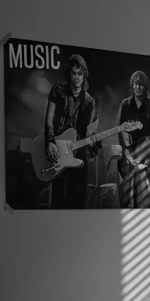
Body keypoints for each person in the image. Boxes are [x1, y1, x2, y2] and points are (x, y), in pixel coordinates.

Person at [43, 53, 99, 209]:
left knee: (78, 202)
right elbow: (49, 120)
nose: (77, 77)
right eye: (74, 73)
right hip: (59, 151)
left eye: (80, 74)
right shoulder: (58, 91)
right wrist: (50, 142)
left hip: (79, 154)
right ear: (69, 74)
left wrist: (93, 142)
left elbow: (90, 133)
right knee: (58, 201)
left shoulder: (90, 101)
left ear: (84, 75)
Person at [117, 70, 150, 208]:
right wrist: (126, 152)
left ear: (145, 86)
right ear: (132, 84)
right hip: (132, 151)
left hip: (149, 148)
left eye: (141, 84)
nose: (138, 87)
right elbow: (121, 131)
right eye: (136, 83)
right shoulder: (125, 104)